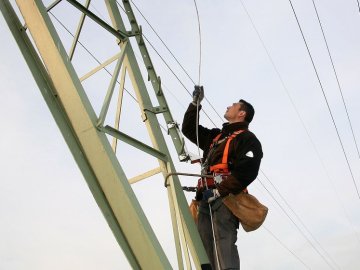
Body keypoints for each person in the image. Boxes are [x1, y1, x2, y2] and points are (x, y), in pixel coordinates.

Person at [182, 86, 263, 269]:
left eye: (234, 105)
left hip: (225, 199)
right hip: (205, 198)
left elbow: (248, 170)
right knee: (204, 249)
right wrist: (195, 103)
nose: (229, 106)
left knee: (223, 245)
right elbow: (188, 129)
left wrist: (220, 191)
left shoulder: (247, 139)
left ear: (241, 113)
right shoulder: (215, 137)